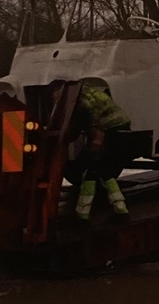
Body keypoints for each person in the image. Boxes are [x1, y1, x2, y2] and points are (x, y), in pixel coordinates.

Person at [51, 80, 131, 220]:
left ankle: (86, 213)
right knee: (97, 170)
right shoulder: (82, 95)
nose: (55, 100)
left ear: (61, 91)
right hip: (118, 129)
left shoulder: (81, 104)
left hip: (112, 131)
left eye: (55, 96)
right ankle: (117, 208)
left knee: (94, 169)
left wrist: (94, 146)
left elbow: (93, 126)